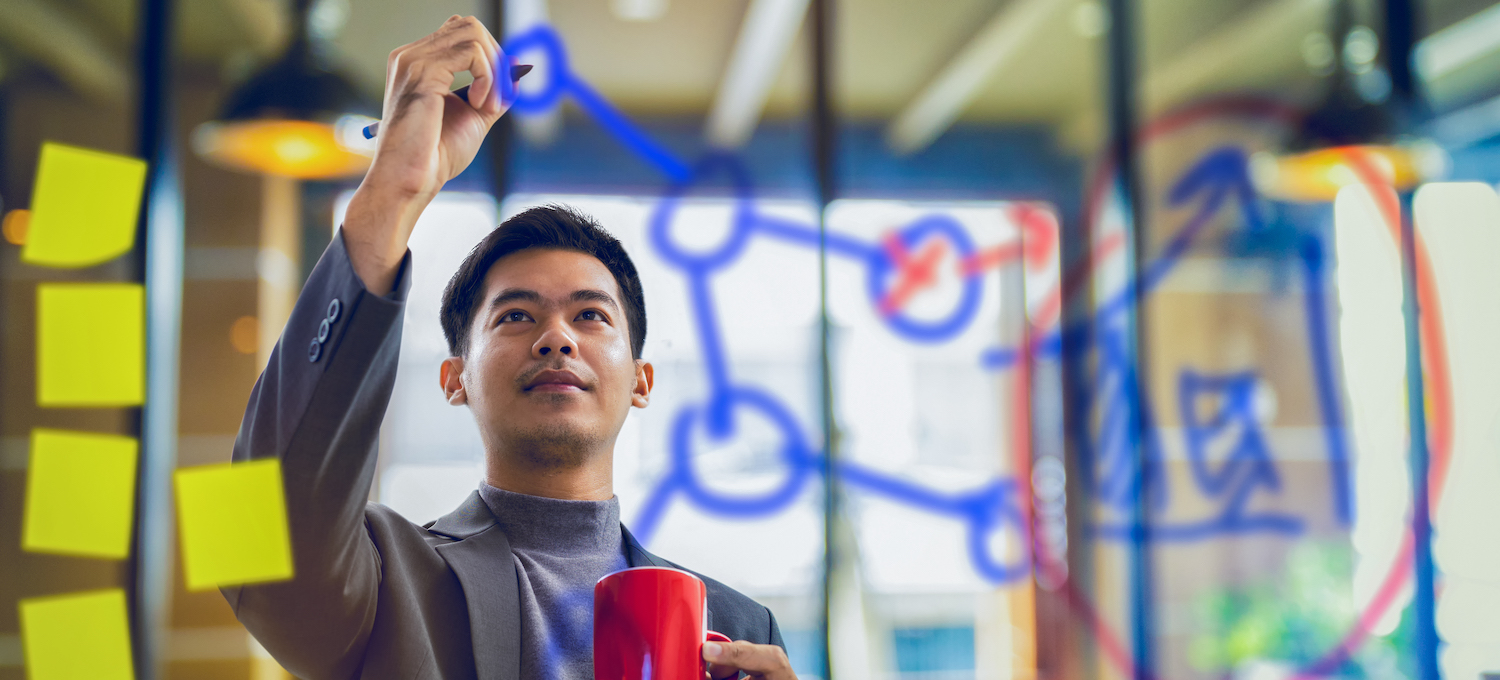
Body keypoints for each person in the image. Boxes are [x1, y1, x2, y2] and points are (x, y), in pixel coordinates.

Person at [223, 15, 798, 680]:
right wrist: (394, 190)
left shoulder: (738, 627)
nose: (557, 338)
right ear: (454, 378)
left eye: (590, 315)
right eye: (516, 316)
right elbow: (249, 538)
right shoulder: (389, 584)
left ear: (641, 381)